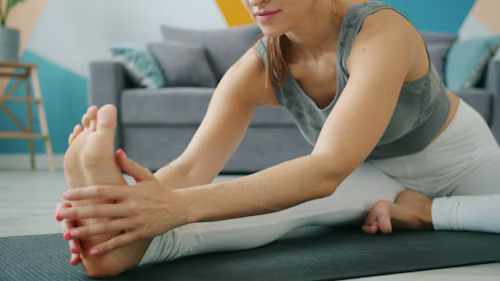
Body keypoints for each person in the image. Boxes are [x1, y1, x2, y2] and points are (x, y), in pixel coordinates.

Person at [55, 0, 500, 277]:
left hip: (466, 164)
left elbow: (326, 168)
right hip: (374, 174)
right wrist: (122, 209)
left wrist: (426, 213)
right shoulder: (256, 67)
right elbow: (193, 169)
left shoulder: (381, 33)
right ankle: (125, 251)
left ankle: (427, 213)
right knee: (285, 210)